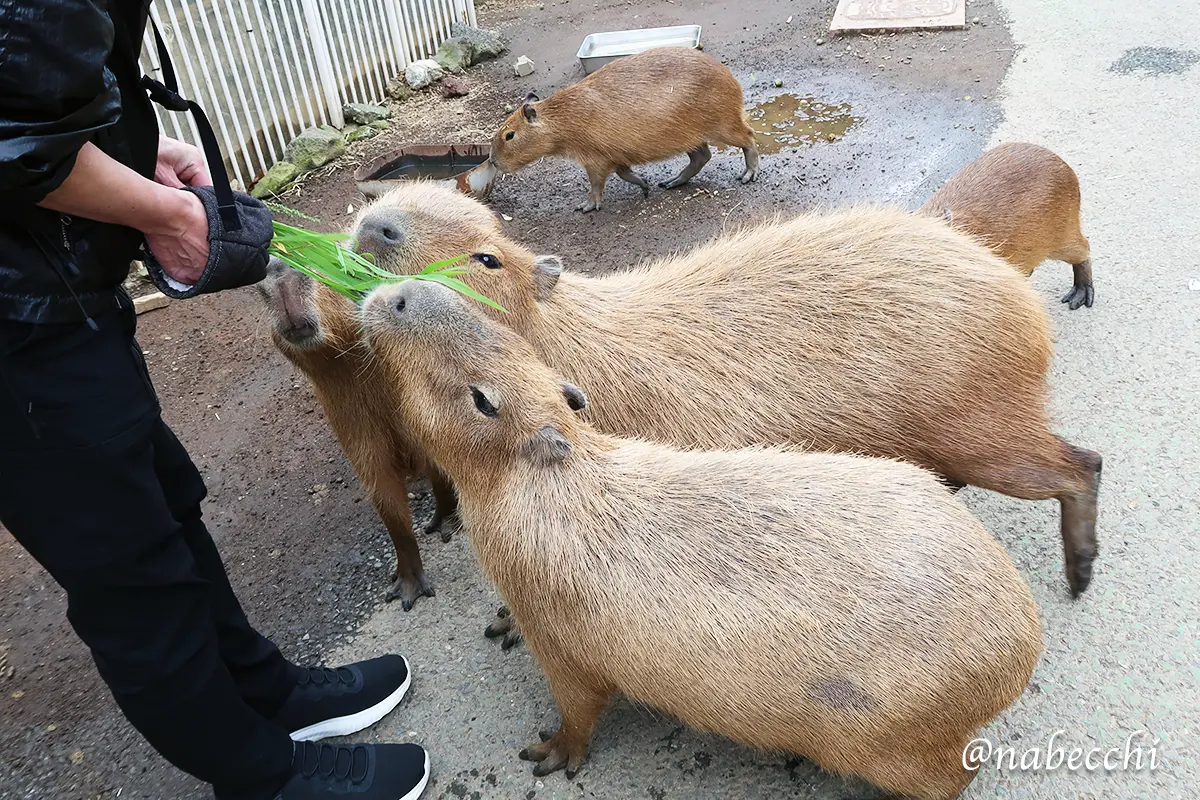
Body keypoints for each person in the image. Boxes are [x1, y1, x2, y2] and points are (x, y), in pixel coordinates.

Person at [0, 2, 430, 799]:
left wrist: (130, 148)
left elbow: (40, 102)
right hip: (16, 332)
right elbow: (15, 142)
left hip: (55, 288)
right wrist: (164, 214)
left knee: (169, 505)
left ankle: (266, 693)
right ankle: (260, 777)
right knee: (131, 575)